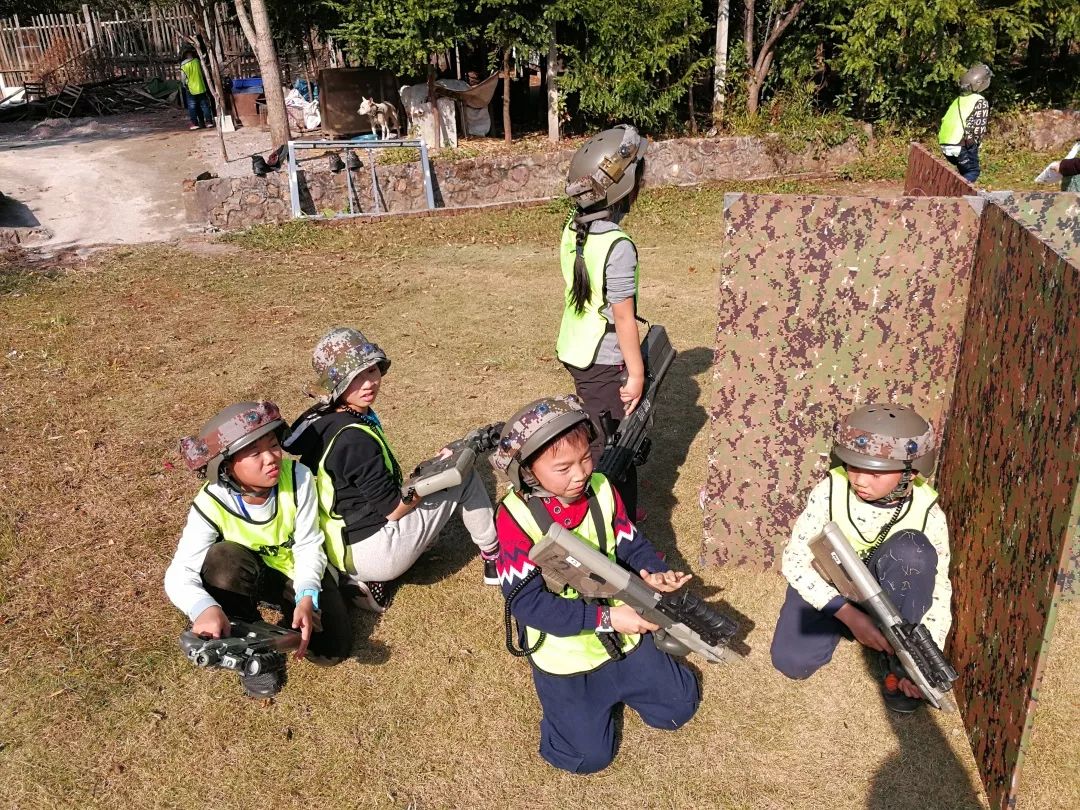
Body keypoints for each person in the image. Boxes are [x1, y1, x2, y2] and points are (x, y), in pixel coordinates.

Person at [490, 394, 699, 773]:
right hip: (568, 656)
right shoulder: (515, 518)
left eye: (586, 457)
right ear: (529, 472)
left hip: (625, 637)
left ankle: (627, 682)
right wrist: (609, 619)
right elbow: (528, 605)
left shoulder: (602, 488)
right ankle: (572, 710)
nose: (581, 473)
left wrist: (651, 569)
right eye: (563, 467)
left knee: (677, 709)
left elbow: (629, 541)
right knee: (586, 758)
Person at [285, 327, 500, 613]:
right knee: (464, 476)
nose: (368, 383)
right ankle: (496, 558)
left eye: (372, 371)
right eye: (355, 377)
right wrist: (435, 475)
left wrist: (427, 472)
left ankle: (368, 581)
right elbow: (394, 509)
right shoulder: (354, 439)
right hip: (374, 549)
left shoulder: (321, 419)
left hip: (339, 547)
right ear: (337, 383)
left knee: (431, 493)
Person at [770, 404, 952, 714]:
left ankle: (895, 661)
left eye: (876, 471)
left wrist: (922, 653)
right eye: (854, 465)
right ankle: (855, 629)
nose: (860, 479)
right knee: (791, 662)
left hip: (890, 595)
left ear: (911, 470)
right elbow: (795, 561)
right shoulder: (830, 490)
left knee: (913, 551)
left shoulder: (927, 512)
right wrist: (848, 616)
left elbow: (937, 591)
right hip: (831, 586)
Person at [165, 401, 352, 697]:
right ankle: (254, 654)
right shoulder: (211, 502)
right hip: (248, 572)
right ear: (226, 467)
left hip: (297, 574)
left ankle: (288, 607)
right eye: (254, 453)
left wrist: (306, 595)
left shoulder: (298, 476)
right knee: (222, 559)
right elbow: (179, 572)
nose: (271, 458)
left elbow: (308, 544)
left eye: (274, 444)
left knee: (329, 651)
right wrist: (205, 608)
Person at [557, 124, 649, 521]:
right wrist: (637, 373)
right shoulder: (618, 244)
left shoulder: (573, 229)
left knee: (601, 427)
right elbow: (624, 318)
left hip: (577, 348)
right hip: (603, 357)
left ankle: (617, 510)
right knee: (615, 443)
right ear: (624, 186)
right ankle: (612, 521)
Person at [938, 63, 991, 183]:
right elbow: (978, 128)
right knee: (972, 171)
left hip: (945, 144)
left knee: (963, 171)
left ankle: (958, 192)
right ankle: (956, 194)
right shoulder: (980, 101)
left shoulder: (957, 100)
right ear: (980, 83)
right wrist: (975, 144)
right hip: (960, 144)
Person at [180, 47, 214, 130]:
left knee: (192, 106)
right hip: (201, 86)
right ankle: (209, 122)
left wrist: (184, 85)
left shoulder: (183, 65)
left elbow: (183, 78)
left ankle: (195, 123)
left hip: (191, 88)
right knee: (205, 105)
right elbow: (203, 72)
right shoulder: (197, 62)